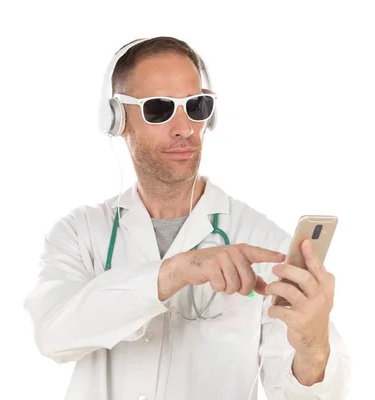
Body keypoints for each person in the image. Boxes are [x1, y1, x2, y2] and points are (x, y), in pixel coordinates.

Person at [23, 36, 351, 400]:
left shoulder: (265, 246)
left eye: (196, 106)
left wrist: (314, 347)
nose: (185, 128)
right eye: (160, 109)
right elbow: (52, 336)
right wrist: (176, 271)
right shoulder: (79, 233)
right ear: (118, 120)